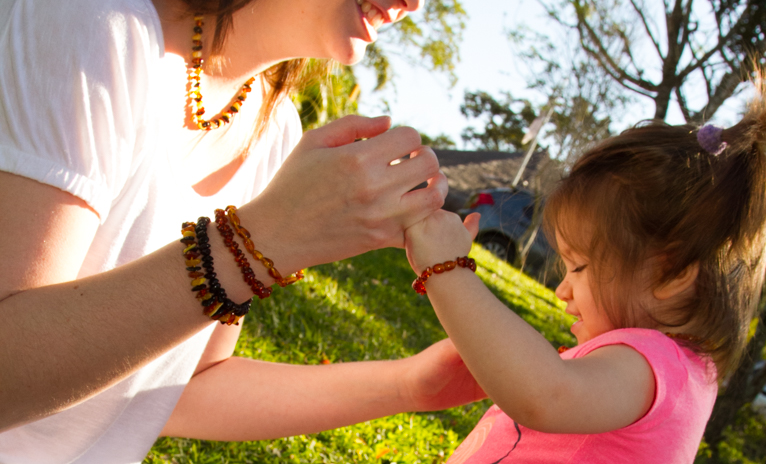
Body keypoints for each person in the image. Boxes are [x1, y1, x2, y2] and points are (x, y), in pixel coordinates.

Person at [0, 0, 486, 462]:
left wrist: (408, 385)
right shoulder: (90, 25)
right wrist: (261, 239)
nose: (414, 3)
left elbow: (191, 385)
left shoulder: (273, 132)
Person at [403, 80, 766, 463]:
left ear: (670, 271)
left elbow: (546, 394)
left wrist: (448, 271)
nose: (562, 289)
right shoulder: (682, 374)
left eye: (578, 266)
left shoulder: (656, 363)